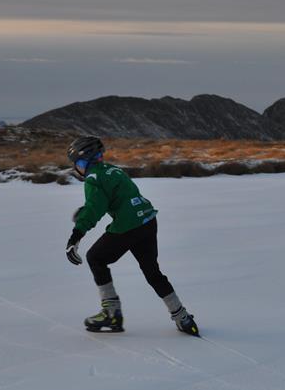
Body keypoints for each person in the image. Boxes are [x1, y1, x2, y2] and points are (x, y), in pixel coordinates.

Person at [64, 136, 198, 336]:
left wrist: (76, 236)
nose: (76, 168)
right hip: (147, 220)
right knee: (153, 272)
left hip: (128, 225)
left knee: (96, 258)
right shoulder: (113, 170)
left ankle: (111, 313)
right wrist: (87, 210)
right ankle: (182, 317)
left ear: (85, 162)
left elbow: (95, 208)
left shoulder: (93, 178)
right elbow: (116, 197)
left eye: (77, 164)